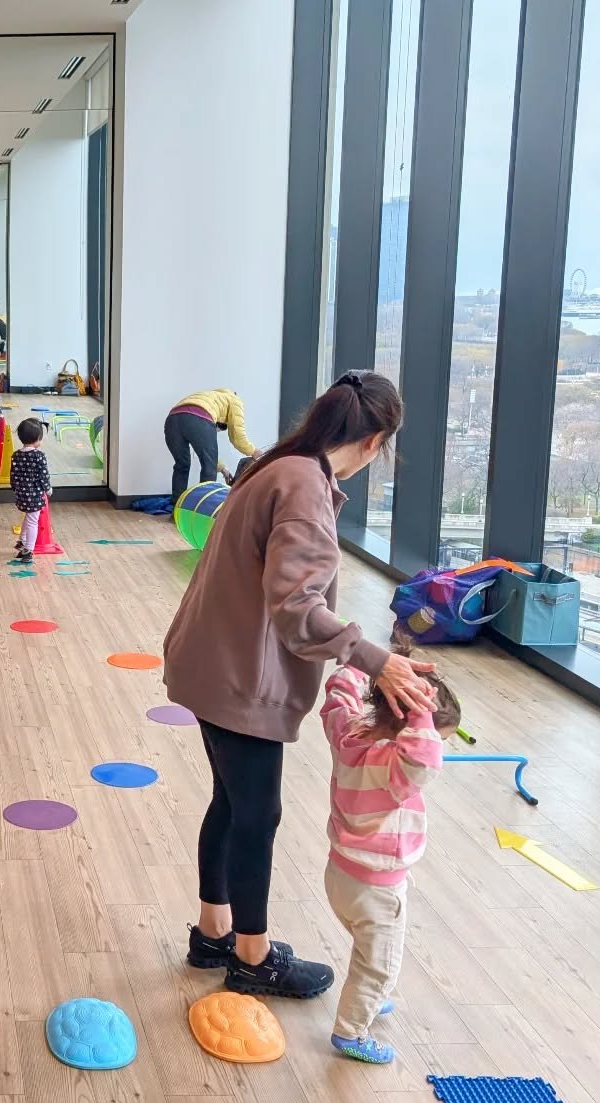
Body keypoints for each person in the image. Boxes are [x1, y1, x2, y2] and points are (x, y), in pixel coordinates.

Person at [162, 371, 438, 1001]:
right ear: (375, 443)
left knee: (232, 804)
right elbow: (296, 607)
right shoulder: (307, 487)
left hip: (207, 662)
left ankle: (214, 932)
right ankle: (251, 959)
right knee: (258, 814)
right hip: (237, 679)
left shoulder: (277, 464)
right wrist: (376, 659)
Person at [320, 662, 460, 1063]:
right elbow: (424, 760)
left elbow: (337, 695)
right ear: (410, 727)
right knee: (379, 964)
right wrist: (421, 709)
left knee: (367, 949)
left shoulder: (350, 733)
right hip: (378, 887)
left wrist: (368, 664)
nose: (439, 746)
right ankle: (351, 1031)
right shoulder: (394, 766)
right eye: (438, 736)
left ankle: (367, 996)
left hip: (340, 874)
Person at [164, 388, 258, 493]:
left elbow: (203, 450)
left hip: (172, 420)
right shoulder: (235, 400)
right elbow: (237, 436)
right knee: (209, 467)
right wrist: (253, 451)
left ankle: (176, 504)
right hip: (199, 417)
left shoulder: (210, 397)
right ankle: (203, 507)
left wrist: (223, 469)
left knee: (182, 464)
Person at [10, 418, 51, 560]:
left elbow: (13, 476)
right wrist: (48, 489)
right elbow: (43, 475)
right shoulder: (39, 456)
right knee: (33, 521)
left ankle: (22, 541)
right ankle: (28, 551)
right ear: (37, 439)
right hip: (34, 496)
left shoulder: (16, 455)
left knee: (28, 517)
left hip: (21, 495)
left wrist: (16, 490)